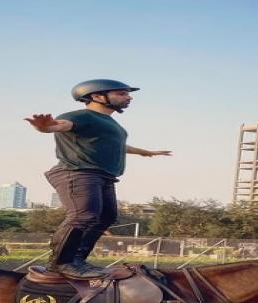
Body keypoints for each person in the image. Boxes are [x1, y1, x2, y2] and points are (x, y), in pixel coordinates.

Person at [25, 79, 171, 279]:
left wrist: (146, 152)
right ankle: (60, 263)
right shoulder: (79, 116)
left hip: (103, 176)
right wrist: (44, 127)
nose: (129, 97)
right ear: (96, 96)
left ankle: (77, 260)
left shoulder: (111, 124)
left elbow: (116, 145)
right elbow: (60, 126)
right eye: (121, 93)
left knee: (106, 216)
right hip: (78, 172)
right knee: (83, 216)